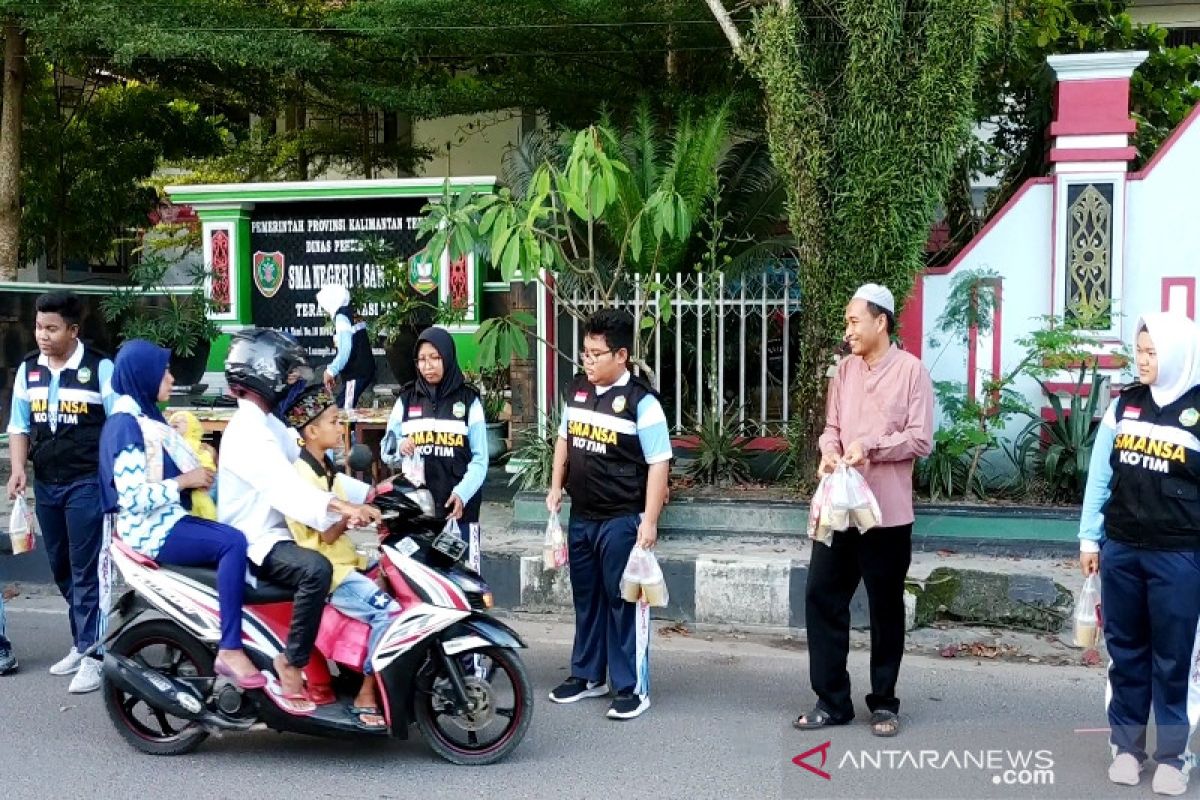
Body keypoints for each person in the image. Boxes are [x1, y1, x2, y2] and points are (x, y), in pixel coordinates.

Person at [794, 283, 933, 738]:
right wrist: (830, 450)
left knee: (885, 608)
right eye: (848, 321)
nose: (848, 329)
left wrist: (869, 445)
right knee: (820, 595)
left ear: (881, 322)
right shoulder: (845, 371)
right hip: (841, 509)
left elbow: (920, 439)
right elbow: (831, 427)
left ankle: (884, 703)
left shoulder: (911, 372)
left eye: (855, 320)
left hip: (887, 515)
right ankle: (832, 700)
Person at [217, 328, 380, 713]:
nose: (291, 380)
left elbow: (310, 470)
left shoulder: (269, 425)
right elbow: (286, 491)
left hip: (280, 531)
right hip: (259, 538)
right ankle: (291, 664)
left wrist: (370, 495)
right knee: (316, 570)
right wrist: (343, 509)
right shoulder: (248, 432)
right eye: (286, 372)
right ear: (263, 371)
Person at [1078, 312, 1200, 796]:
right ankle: (1125, 749)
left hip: (1180, 557)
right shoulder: (1125, 404)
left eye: (1152, 353)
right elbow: (1099, 477)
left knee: (1175, 660)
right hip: (1123, 551)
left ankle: (1174, 755)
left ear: (1175, 354)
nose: (1143, 360)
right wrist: (1091, 539)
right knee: (1125, 654)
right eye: (1140, 351)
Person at [98, 340, 263, 688]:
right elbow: (132, 497)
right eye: (165, 372)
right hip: (152, 529)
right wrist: (184, 480)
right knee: (232, 543)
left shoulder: (145, 418)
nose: (171, 379)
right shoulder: (127, 426)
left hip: (168, 519)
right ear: (143, 377)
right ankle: (231, 648)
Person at [545, 309, 672, 721]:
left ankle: (632, 686)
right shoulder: (578, 390)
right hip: (582, 516)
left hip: (622, 519)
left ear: (622, 355)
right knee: (587, 598)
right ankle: (587, 675)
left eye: (596, 354)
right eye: (584, 352)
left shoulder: (642, 402)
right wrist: (554, 485)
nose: (588, 360)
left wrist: (648, 521)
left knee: (624, 602)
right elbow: (564, 440)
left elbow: (659, 463)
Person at [5, 290, 116, 693]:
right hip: (47, 483)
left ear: (73, 330)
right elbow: (19, 425)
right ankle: (81, 641)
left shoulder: (100, 367)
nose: (42, 336)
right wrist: (18, 469)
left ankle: (94, 654)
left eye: (52, 328)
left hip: (87, 482)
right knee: (62, 568)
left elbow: (120, 424)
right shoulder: (29, 370)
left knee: (86, 568)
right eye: (38, 327)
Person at [283, 385, 400, 730]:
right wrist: (351, 517)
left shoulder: (325, 469)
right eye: (334, 422)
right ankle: (366, 692)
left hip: (346, 564)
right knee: (390, 615)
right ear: (311, 431)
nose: (340, 428)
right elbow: (322, 536)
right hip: (330, 574)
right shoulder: (302, 477)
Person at [382, 327, 489, 572]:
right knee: (424, 581)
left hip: (457, 512)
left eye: (435, 358)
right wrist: (400, 445)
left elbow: (481, 459)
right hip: (418, 512)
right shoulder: (406, 399)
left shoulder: (469, 400)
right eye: (422, 359)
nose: (428, 366)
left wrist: (462, 493)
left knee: (463, 580)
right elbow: (386, 449)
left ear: (448, 357)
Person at [316, 284, 376, 410]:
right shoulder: (351, 313)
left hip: (356, 372)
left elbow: (345, 350)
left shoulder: (342, 318)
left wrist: (331, 370)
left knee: (342, 411)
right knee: (344, 407)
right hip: (363, 370)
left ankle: (347, 430)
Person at [168, 410, 218, 520]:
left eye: (182, 420)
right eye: (173, 420)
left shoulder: (201, 448)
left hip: (198, 495)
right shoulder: (166, 444)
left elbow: (208, 471)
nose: (176, 421)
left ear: (192, 426)